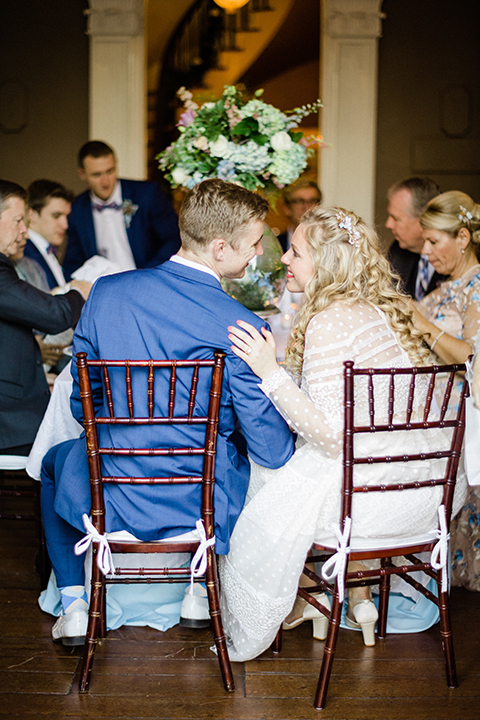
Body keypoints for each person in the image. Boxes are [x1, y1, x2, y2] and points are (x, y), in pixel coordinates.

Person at [40, 178, 295, 645]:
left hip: (109, 487)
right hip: (198, 498)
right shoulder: (242, 324)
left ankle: (75, 605)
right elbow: (272, 450)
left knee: (53, 464)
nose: (260, 253)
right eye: (255, 242)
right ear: (220, 247)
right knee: (240, 457)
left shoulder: (105, 294)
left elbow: (82, 404)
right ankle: (199, 588)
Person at [219, 205, 468, 662]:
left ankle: (301, 599)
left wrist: (268, 371)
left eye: (295, 252)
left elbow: (332, 437)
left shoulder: (329, 321)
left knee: (263, 471)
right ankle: (357, 598)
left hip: (369, 504)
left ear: (326, 263)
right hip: (422, 494)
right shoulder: (374, 310)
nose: (285, 261)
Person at [411, 191, 480, 592]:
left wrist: (419, 323)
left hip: (458, 421)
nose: (426, 251)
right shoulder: (446, 286)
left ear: (464, 238)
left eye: (434, 241)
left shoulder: (476, 289)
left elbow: (472, 356)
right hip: (432, 414)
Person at [0, 180, 90, 456]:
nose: (24, 229)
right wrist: (79, 292)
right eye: (17, 221)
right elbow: (55, 314)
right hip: (10, 420)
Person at [62, 140, 181, 279]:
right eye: (97, 175)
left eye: (110, 171)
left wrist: (146, 274)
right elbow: (73, 262)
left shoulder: (147, 194)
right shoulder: (77, 209)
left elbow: (174, 239)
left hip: (148, 279)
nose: (105, 181)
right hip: (105, 288)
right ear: (82, 174)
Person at [386, 176, 445, 299]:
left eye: (396, 218)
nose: (388, 224)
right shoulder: (397, 251)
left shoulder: (455, 260)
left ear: (423, 219)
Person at [25, 179, 73, 289]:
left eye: (67, 217)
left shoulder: (49, 250)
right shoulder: (24, 253)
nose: (65, 225)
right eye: (56, 216)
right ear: (32, 215)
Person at [277, 177, 322, 253]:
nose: (307, 207)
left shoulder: (328, 243)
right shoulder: (275, 244)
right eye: (299, 201)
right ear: (287, 208)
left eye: (312, 201)